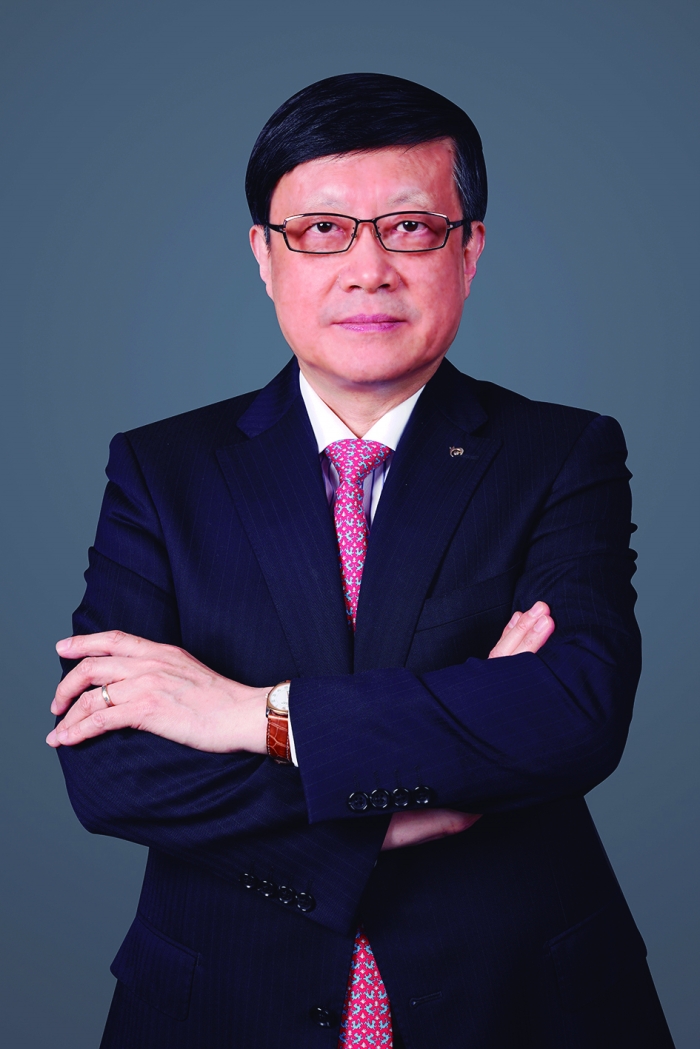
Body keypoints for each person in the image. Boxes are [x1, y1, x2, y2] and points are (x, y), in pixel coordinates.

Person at [47, 73, 674, 1048]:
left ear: (469, 249)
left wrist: (250, 714)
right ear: (264, 256)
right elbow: (110, 766)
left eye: (412, 227)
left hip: (519, 1000)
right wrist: (403, 807)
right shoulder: (161, 469)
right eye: (322, 230)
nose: (369, 269)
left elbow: (573, 713)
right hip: (219, 998)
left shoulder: (561, 453)